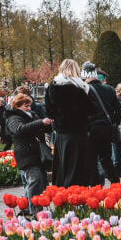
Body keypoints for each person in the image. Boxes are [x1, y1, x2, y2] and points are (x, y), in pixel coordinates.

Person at [45, 59, 95, 187]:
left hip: (61, 135)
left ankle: (63, 199)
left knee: (62, 168)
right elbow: (91, 109)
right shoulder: (79, 89)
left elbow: (49, 112)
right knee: (77, 170)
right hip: (78, 134)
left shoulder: (52, 87)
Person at [4, 93, 53, 215]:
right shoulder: (13, 118)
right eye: (26, 106)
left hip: (38, 153)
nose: (29, 108)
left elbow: (39, 128)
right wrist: (40, 122)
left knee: (41, 182)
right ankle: (34, 211)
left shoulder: (31, 115)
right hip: (26, 154)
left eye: (29, 105)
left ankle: (30, 208)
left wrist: (47, 125)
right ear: (18, 105)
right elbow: (20, 129)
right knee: (35, 180)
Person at [82, 62, 121, 185]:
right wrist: (113, 123)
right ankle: (116, 185)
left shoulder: (83, 90)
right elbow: (119, 110)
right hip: (106, 129)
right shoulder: (109, 89)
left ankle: (95, 191)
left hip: (90, 131)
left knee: (91, 162)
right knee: (107, 160)